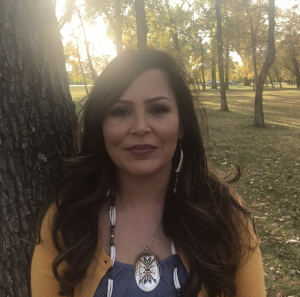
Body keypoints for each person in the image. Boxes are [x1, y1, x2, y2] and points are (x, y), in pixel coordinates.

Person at [31, 49, 265, 297]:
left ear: (182, 124)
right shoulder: (67, 220)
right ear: (101, 127)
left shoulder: (224, 212)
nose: (140, 127)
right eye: (121, 111)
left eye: (157, 109)